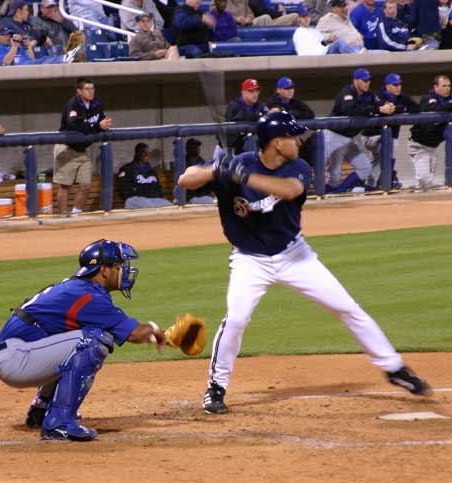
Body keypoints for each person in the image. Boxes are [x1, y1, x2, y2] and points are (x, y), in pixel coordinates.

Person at [176, 111, 431, 415]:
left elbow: (289, 190)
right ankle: (216, 388)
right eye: (293, 137)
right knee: (236, 320)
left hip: (295, 256)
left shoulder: (297, 166)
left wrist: (244, 177)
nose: (299, 141)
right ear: (277, 143)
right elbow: (184, 180)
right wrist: (217, 168)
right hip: (250, 261)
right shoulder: (238, 164)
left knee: (347, 308)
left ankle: (394, 368)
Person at [0, 239, 167, 441]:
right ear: (104, 270)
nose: (123, 272)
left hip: (18, 353)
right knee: (94, 341)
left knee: (80, 339)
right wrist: (158, 331)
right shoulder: (88, 296)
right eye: (118, 266)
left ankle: (42, 409)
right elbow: (134, 333)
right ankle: (59, 422)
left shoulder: (79, 288)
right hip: (16, 359)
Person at [324, 68, 394, 193]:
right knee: (334, 176)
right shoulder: (347, 92)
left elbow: (381, 104)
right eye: (364, 81)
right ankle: (326, 197)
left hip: (348, 139)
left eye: (368, 81)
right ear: (355, 81)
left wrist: (389, 107)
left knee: (365, 167)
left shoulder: (369, 94)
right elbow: (351, 110)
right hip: (334, 136)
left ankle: (339, 192)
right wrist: (378, 109)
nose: (367, 83)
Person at [55, 78, 112, 217]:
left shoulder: (96, 104)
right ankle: (63, 216)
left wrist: (106, 123)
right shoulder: (72, 105)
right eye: (87, 89)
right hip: (67, 148)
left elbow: (101, 120)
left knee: (86, 185)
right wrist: (97, 126)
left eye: (92, 88)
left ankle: (76, 214)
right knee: (65, 186)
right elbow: (73, 126)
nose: (91, 92)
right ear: (79, 91)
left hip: (83, 150)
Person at [408, 74, 452, 188]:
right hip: (418, 145)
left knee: (426, 182)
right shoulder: (429, 97)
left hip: (433, 147)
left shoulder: (451, 99)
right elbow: (436, 108)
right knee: (424, 179)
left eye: (449, 86)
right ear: (435, 87)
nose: (447, 88)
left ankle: (420, 198)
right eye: (443, 86)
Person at [359, 73, 419, 190]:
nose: (398, 87)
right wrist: (397, 108)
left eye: (399, 85)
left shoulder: (401, 97)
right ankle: (389, 179)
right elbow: (384, 109)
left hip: (386, 137)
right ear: (387, 86)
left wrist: (398, 108)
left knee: (376, 163)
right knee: (388, 149)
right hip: (371, 136)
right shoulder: (378, 95)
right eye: (395, 85)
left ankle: (370, 186)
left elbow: (416, 108)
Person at [265, 77, 316, 165]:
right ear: (279, 90)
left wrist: (289, 113)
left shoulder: (294, 101)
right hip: (275, 141)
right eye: (287, 88)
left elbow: (310, 114)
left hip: (291, 138)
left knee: (308, 151)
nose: (290, 91)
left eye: (292, 88)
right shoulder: (272, 102)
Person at [116, 143, 173, 209]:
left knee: (171, 207)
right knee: (150, 207)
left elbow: (158, 187)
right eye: (143, 152)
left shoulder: (151, 170)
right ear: (137, 153)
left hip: (155, 199)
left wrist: (162, 197)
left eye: (148, 152)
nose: (146, 154)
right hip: (136, 199)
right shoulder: (127, 169)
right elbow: (124, 189)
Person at [293, 6, 363, 55]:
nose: (306, 19)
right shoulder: (299, 32)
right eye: (303, 16)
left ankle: (359, 53)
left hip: (323, 53)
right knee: (339, 43)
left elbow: (320, 42)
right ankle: (359, 56)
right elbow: (304, 51)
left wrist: (328, 41)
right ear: (299, 18)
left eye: (308, 16)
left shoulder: (313, 31)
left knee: (344, 44)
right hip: (316, 57)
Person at [225, 78, 267, 155]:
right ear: (243, 93)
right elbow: (240, 119)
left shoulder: (259, 105)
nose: (255, 94)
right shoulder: (234, 105)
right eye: (251, 91)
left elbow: (266, 115)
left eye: (257, 91)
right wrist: (258, 115)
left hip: (253, 145)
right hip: (232, 148)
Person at [184, 138, 215, 204]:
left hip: (204, 195)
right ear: (187, 148)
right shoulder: (182, 163)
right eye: (193, 146)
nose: (196, 148)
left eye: (197, 146)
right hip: (189, 196)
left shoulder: (203, 162)